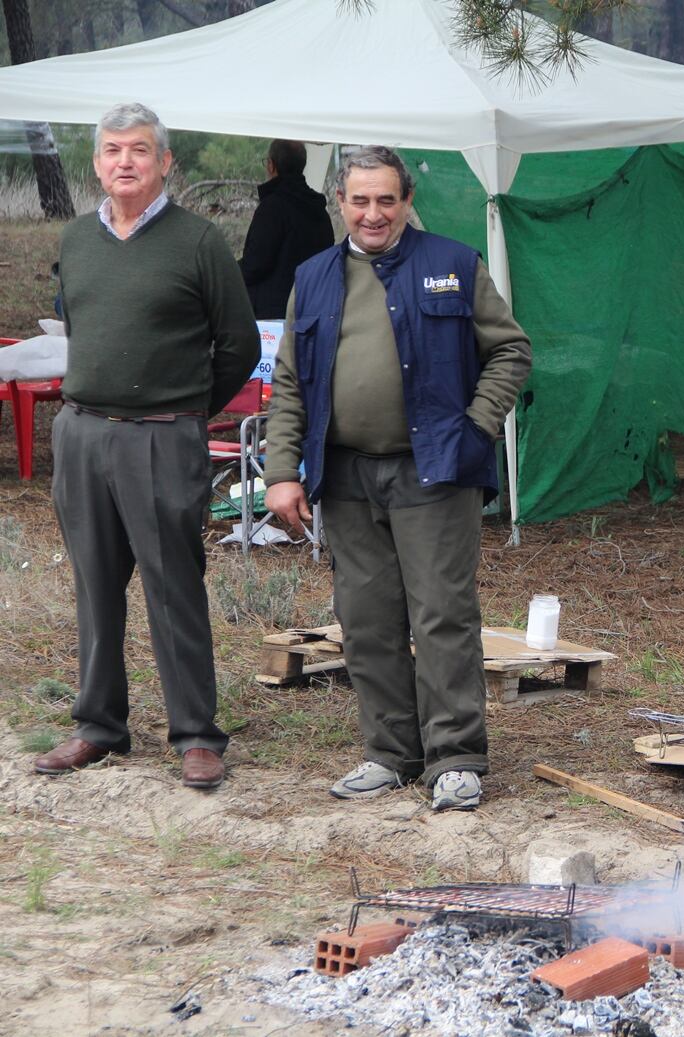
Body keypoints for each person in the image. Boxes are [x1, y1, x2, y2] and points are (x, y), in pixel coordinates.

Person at [263, 146, 530, 811]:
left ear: (407, 200)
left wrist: (476, 427)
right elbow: (291, 382)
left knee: (441, 613)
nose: (372, 213)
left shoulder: (452, 264)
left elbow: (510, 351)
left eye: (386, 199)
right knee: (367, 618)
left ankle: (455, 757)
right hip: (347, 473)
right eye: (359, 199)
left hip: (434, 469)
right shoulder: (315, 277)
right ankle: (389, 752)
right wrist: (280, 472)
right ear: (340, 202)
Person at [35, 102, 259, 790]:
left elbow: (239, 346)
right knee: (95, 586)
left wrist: (183, 410)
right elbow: (84, 326)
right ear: (97, 163)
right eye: (111, 150)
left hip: (163, 439)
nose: (124, 161)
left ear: (164, 162)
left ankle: (195, 734)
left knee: (173, 588)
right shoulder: (75, 239)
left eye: (138, 150)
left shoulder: (199, 242)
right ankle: (99, 726)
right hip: (82, 434)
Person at [239, 139, 335, 320]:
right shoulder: (320, 211)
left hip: (273, 316)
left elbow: (254, 265)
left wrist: (227, 271)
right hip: (312, 309)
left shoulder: (272, 208)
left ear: (271, 165)